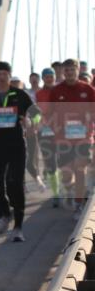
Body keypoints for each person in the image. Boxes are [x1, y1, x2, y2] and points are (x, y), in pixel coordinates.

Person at [0, 63, 39, 241]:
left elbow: (37, 113)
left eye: (5, 74)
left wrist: (30, 122)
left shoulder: (20, 94)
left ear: (9, 75)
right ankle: (4, 213)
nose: (1, 77)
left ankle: (18, 227)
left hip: (16, 145)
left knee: (15, 184)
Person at [45, 58, 95, 219]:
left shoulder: (88, 89)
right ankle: (75, 192)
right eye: (66, 70)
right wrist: (55, 128)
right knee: (67, 175)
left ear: (78, 70)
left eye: (72, 70)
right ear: (62, 72)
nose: (69, 73)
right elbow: (49, 114)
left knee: (80, 169)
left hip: (84, 137)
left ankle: (79, 205)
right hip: (63, 139)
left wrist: (89, 126)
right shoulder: (56, 91)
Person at [36, 68, 61, 200]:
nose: (49, 79)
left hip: (61, 130)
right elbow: (36, 111)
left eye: (51, 76)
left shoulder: (61, 90)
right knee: (50, 162)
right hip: (45, 130)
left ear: (55, 77)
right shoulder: (39, 93)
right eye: (46, 76)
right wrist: (36, 122)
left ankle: (64, 187)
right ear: (43, 78)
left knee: (63, 160)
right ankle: (56, 193)